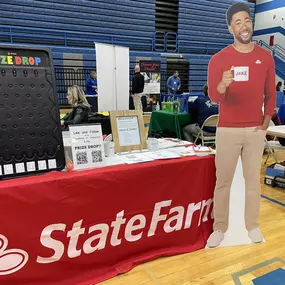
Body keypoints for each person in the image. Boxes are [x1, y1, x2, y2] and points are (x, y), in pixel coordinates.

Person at [207, 2, 276, 248]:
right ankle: (220, 228)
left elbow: (270, 92)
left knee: (252, 182)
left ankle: (252, 225)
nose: (244, 25)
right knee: (223, 182)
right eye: (238, 22)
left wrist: (266, 119)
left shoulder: (265, 57)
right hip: (227, 129)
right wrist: (223, 85)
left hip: (255, 130)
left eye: (246, 20)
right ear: (230, 28)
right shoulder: (219, 59)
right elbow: (215, 97)